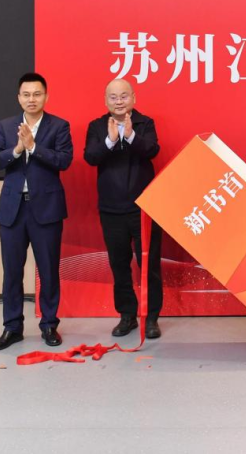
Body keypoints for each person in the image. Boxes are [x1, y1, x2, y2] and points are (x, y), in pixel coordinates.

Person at [0, 73, 73, 352]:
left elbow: (64, 160)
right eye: (26, 94)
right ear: (19, 97)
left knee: (48, 270)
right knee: (12, 272)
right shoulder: (5, 126)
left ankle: (49, 324)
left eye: (37, 94)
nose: (31, 99)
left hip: (46, 209)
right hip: (13, 210)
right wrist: (17, 149)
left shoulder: (59, 126)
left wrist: (34, 147)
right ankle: (12, 327)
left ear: (46, 96)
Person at [83, 78, 164, 339]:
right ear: (106, 101)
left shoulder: (144, 123)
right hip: (111, 209)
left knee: (149, 265)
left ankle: (151, 318)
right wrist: (110, 140)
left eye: (124, 96)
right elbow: (90, 157)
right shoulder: (97, 126)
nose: (119, 101)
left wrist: (130, 136)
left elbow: (152, 150)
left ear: (133, 98)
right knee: (119, 265)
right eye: (113, 97)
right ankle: (127, 315)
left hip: (144, 209)